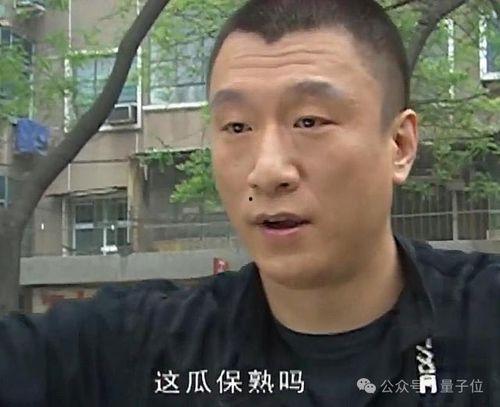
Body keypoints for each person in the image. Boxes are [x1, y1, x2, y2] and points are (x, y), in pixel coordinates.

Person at [1, 0, 499, 405]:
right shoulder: (141, 348)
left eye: (309, 121)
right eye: (237, 127)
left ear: (400, 145)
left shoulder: (484, 322)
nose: (267, 171)